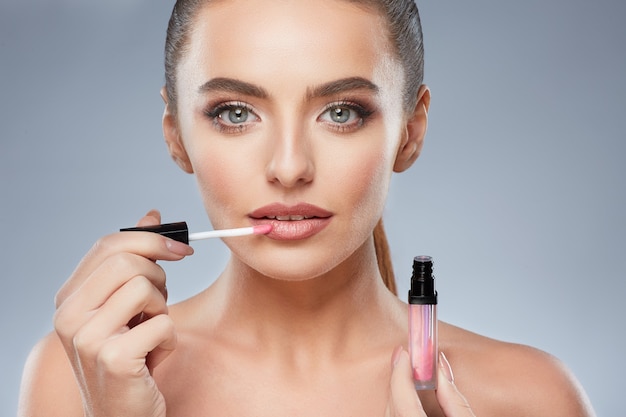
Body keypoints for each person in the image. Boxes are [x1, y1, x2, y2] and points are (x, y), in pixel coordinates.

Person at [18, 1, 596, 416]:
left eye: (341, 112)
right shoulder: (82, 375)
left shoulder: (531, 398)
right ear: (175, 136)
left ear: (410, 132)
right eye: (236, 113)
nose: (290, 167)